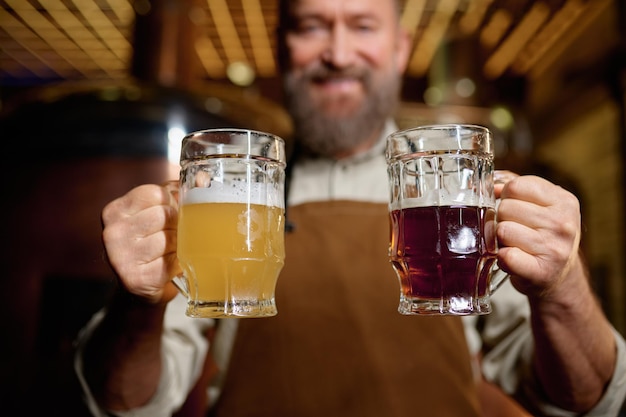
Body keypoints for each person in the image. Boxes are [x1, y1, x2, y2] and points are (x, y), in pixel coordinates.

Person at [74, 0, 626, 415]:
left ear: (400, 49)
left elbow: (587, 400)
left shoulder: (457, 191)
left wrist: (564, 289)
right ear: (281, 44)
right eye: (312, 26)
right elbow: (126, 403)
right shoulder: (241, 191)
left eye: (362, 25)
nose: (338, 55)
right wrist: (137, 304)